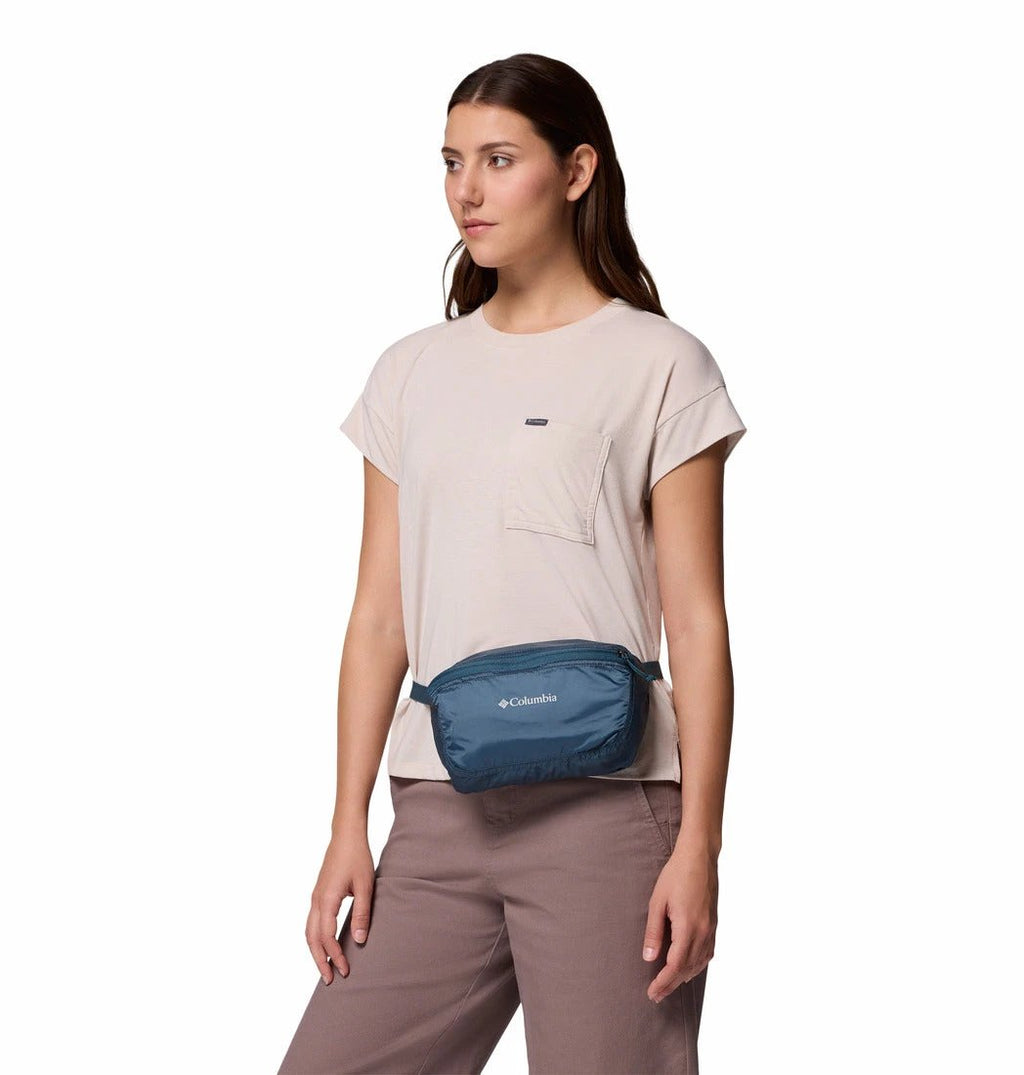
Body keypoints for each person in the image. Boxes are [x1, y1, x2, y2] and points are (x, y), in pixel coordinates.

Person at [277, 52, 747, 1075]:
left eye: (498, 159)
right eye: (452, 162)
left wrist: (699, 846)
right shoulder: (410, 372)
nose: (467, 191)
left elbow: (697, 621)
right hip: (438, 808)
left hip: (608, 811)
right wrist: (347, 824)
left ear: (576, 172)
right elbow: (378, 619)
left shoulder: (662, 365)